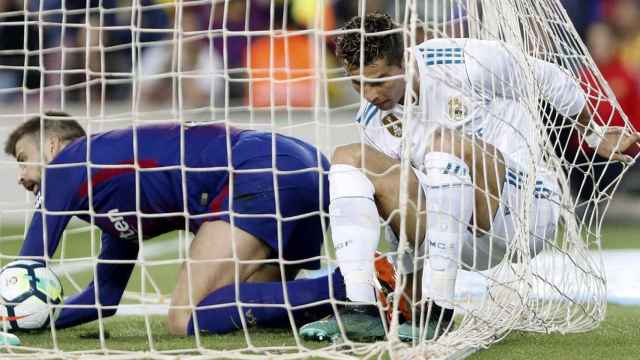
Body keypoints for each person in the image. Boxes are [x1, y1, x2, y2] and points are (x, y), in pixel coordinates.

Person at [299, 12, 640, 342]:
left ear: (404, 60)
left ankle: (439, 309)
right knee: (350, 157)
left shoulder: (463, 61)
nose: (371, 94)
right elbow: (397, 207)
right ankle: (361, 307)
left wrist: (592, 132)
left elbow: (549, 79)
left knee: (443, 145)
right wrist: (408, 285)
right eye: (358, 83)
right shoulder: (373, 118)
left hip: (524, 209)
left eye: (379, 80)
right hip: (450, 229)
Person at [5, 111, 348, 336]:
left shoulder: (68, 163)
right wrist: (40, 320)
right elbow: (104, 298)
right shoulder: (109, 189)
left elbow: (28, 265)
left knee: (184, 317)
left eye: (23, 160)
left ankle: (349, 286)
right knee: (243, 310)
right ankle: (352, 299)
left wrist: (9, 317)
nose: (21, 177)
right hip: (300, 164)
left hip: (255, 169)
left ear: (52, 146)